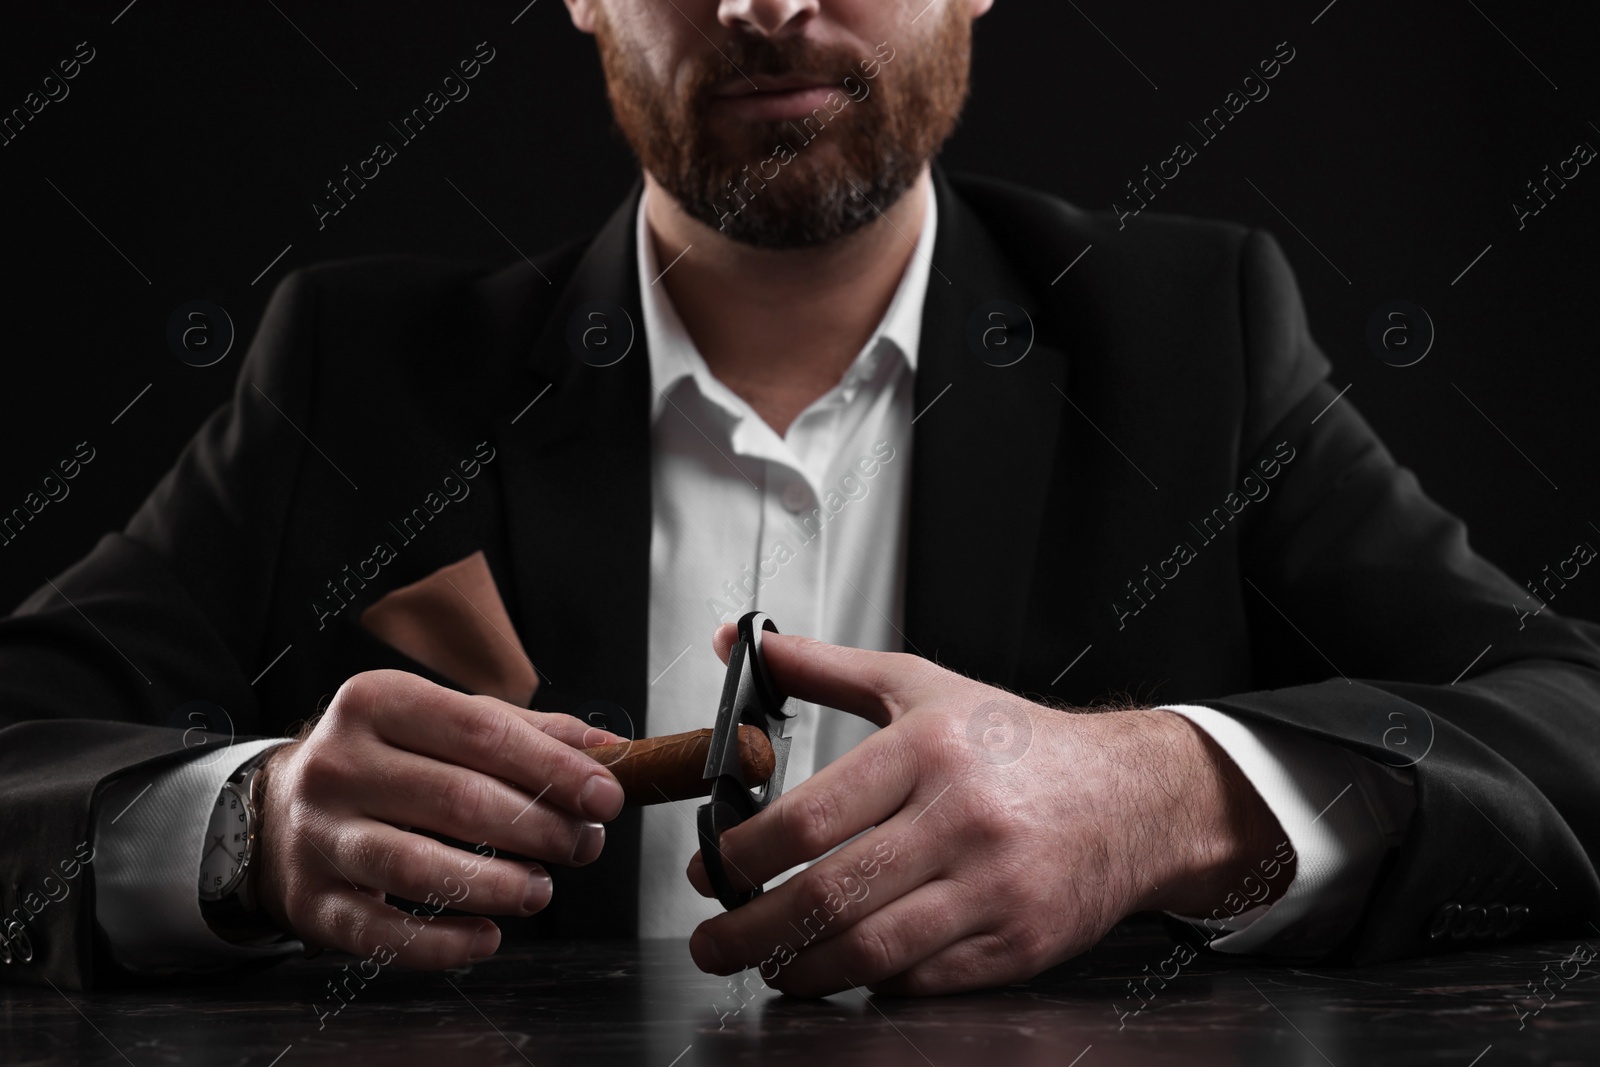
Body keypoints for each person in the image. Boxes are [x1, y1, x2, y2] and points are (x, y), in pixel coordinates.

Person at [3, 0, 1597, 998]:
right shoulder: (356, 371)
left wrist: (1161, 802)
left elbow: (1567, 722)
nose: (767, 4)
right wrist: (241, 832)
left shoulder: (1196, 342)